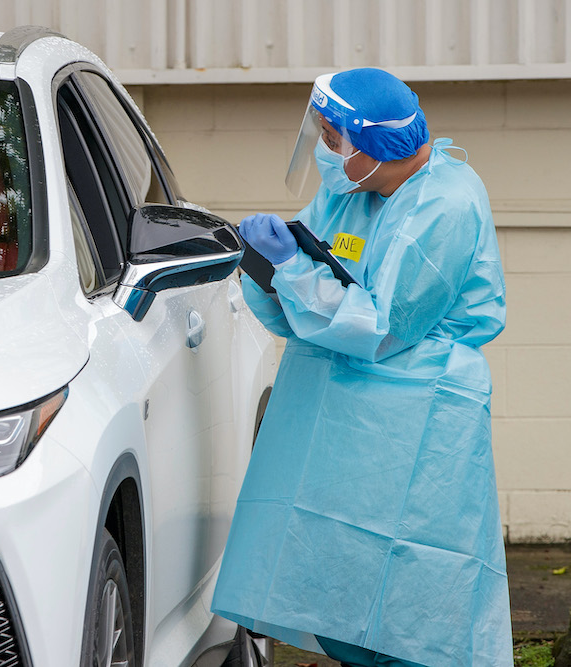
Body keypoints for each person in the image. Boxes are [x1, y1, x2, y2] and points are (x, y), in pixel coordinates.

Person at [211, 68, 510, 667]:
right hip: (341, 424)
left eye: (331, 138)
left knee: (417, 594)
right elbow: (301, 309)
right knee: (341, 583)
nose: (324, 152)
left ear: (370, 145)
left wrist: (294, 272)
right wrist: (268, 269)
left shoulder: (446, 205)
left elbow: (382, 328)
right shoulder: (351, 190)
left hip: (417, 418)